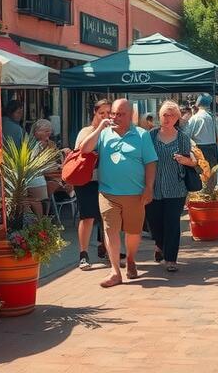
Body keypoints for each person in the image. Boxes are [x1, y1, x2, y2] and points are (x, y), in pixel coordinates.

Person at [76, 99, 157, 287]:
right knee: (110, 231)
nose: (115, 117)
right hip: (108, 193)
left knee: (133, 233)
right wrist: (99, 129)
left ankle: (130, 260)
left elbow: (150, 163)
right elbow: (84, 149)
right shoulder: (103, 134)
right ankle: (115, 271)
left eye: (120, 114)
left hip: (135, 194)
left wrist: (149, 187)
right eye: (113, 113)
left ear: (130, 116)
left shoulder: (142, 135)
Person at [146, 101, 198, 272]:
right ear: (159, 116)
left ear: (177, 118)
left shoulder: (182, 138)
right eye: (164, 115)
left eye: (171, 115)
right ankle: (160, 244)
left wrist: (186, 161)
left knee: (172, 223)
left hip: (176, 187)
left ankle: (171, 259)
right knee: (154, 222)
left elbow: (194, 160)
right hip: (153, 187)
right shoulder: (150, 136)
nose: (167, 118)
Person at [74, 99, 110, 270]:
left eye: (109, 113)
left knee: (108, 217)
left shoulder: (112, 132)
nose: (106, 116)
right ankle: (83, 254)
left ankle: (107, 249)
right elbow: (84, 149)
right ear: (94, 114)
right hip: (87, 181)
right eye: (101, 113)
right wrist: (100, 128)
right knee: (88, 217)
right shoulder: (86, 131)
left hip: (107, 180)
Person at [184, 93, 218, 178]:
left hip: (199, 149)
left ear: (198, 103)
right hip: (212, 148)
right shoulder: (213, 117)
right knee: (211, 175)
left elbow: (187, 135)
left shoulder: (195, 118)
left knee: (201, 175)